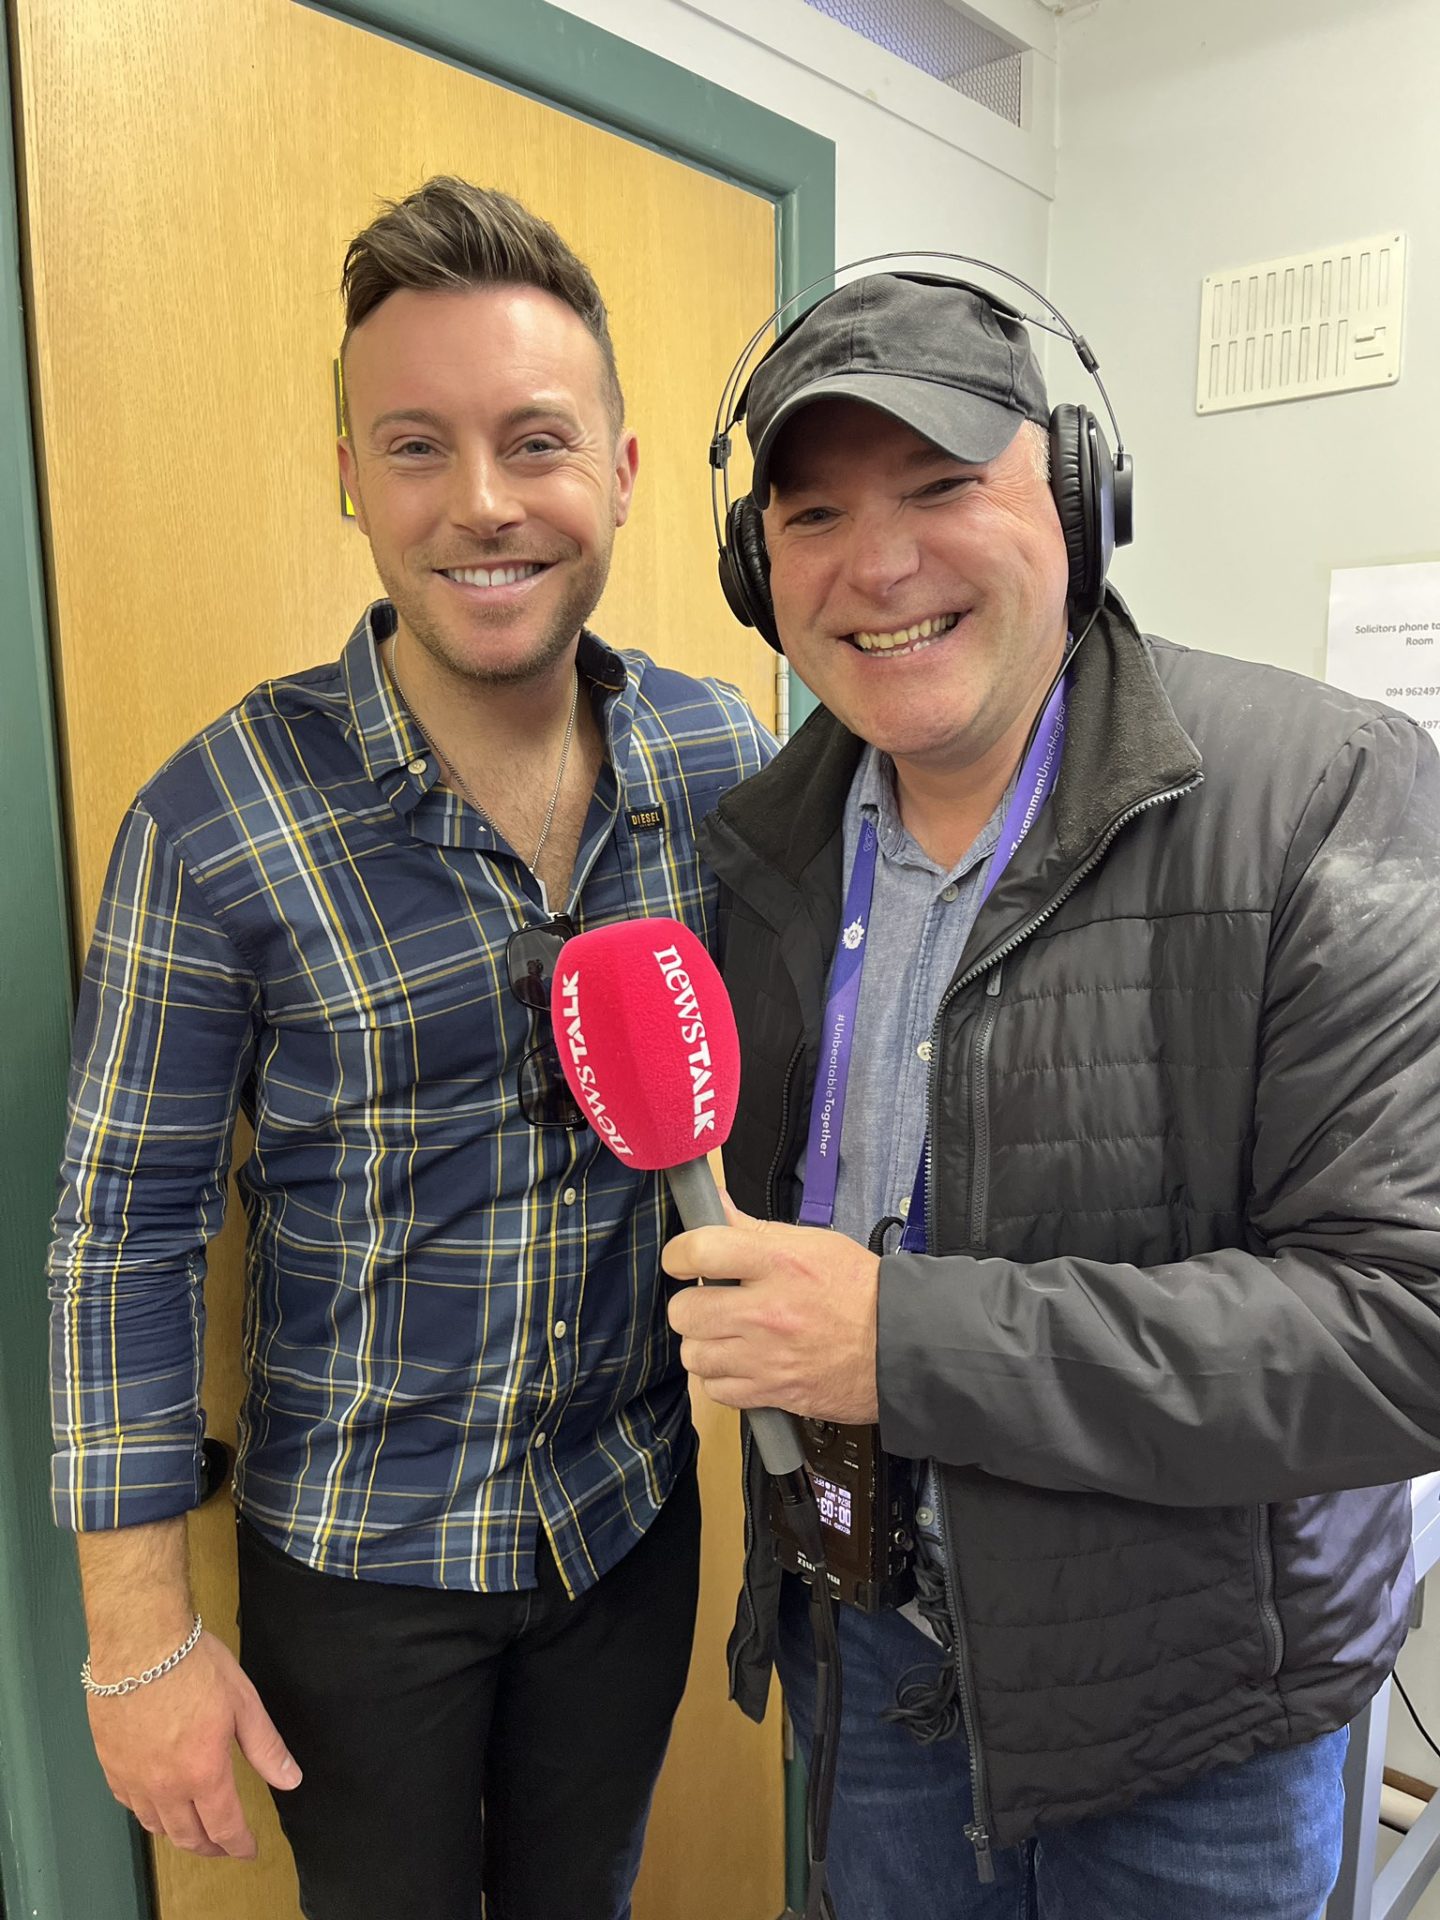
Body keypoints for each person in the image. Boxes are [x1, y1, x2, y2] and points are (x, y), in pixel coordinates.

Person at [664, 270, 1440, 1919]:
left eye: (944, 488)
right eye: (814, 516)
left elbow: (1405, 1326)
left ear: (1081, 503)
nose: (880, 565)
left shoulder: (1327, 793)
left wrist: (899, 1342)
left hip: (1195, 1723)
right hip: (866, 1668)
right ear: (757, 572)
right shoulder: (760, 852)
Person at [48, 176, 772, 1920]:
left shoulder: (719, 757)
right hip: (362, 1568)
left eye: (535, 440)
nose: (483, 504)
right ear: (352, 480)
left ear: (619, 469)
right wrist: (135, 1642)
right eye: (416, 446)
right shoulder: (218, 819)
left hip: (627, 1518)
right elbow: (123, 1231)